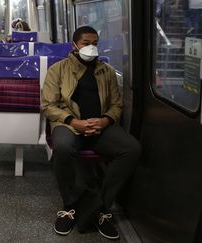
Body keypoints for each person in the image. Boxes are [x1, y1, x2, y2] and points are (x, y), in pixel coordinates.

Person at [41, 26, 141, 239]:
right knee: (63, 147)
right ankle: (70, 206)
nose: (91, 47)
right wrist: (74, 122)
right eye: (86, 43)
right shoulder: (57, 70)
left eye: (95, 43)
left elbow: (116, 104)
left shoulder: (106, 71)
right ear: (74, 45)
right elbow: (48, 105)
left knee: (131, 149)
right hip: (69, 125)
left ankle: (98, 207)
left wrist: (104, 121)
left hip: (99, 127)